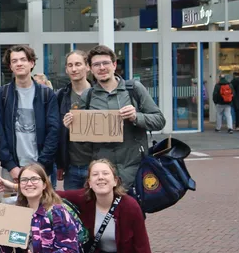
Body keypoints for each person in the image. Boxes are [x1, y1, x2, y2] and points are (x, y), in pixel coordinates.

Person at [62, 45, 165, 189]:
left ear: (114, 65)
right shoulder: (88, 95)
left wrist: (136, 117)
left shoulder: (134, 89)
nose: (102, 68)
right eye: (96, 64)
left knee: (133, 205)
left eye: (106, 63)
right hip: (104, 174)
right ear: (90, 68)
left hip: (134, 171)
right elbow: (84, 141)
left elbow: (159, 121)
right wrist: (73, 127)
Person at [0, 45, 60, 184]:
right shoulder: (2, 94)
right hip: (12, 169)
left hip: (41, 167)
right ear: (10, 66)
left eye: (23, 59)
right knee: (12, 199)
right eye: (14, 61)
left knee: (41, 199)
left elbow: (53, 131)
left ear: (32, 63)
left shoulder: (46, 94)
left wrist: (41, 165)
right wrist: (11, 166)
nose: (19, 63)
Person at [55, 50, 94, 190]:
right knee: (71, 203)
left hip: (96, 166)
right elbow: (56, 132)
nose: (74, 69)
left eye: (78, 64)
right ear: (66, 69)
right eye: (70, 65)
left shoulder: (99, 94)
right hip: (71, 167)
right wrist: (60, 163)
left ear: (87, 67)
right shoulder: (61, 96)